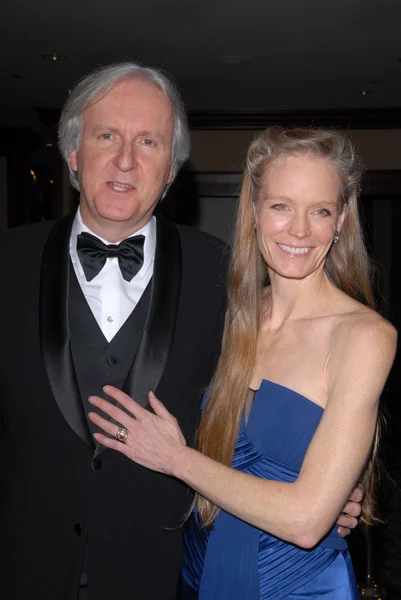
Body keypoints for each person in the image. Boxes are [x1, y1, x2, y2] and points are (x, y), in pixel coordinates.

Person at [0, 62, 361, 599]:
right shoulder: (7, 263)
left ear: (171, 168)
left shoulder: (227, 280)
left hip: (165, 574)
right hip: (22, 569)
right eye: (107, 137)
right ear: (73, 154)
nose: (126, 160)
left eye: (149, 141)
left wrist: (338, 483)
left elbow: (279, 392)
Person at [88, 127, 397, 599]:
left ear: (341, 221)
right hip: (197, 572)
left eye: (319, 211)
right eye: (281, 206)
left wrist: (175, 458)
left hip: (296, 587)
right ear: (253, 211)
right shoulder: (227, 316)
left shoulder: (364, 337)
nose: (299, 230)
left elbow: (307, 520)